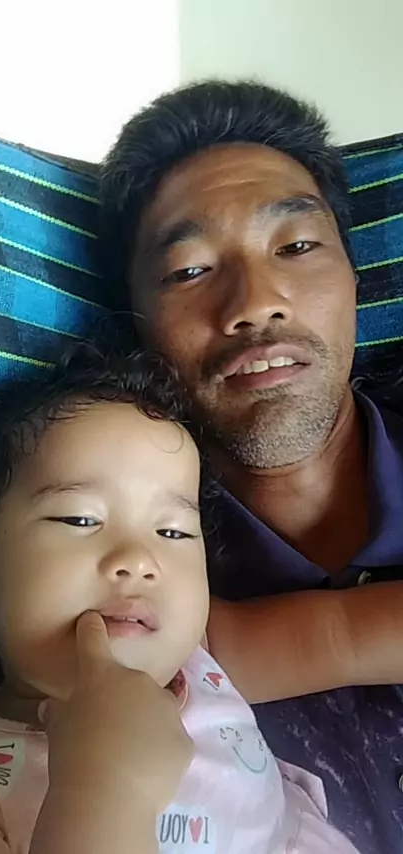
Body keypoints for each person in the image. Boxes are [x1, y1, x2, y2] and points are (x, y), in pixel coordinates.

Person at [99, 80, 403, 854]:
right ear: (136, 327)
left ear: (356, 279)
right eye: (190, 270)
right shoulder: (126, 576)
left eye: (296, 247)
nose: (255, 303)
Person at [0, 344, 378, 853]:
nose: (138, 559)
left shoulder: (201, 659)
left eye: (173, 532)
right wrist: (105, 791)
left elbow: (344, 637)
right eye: (80, 519)